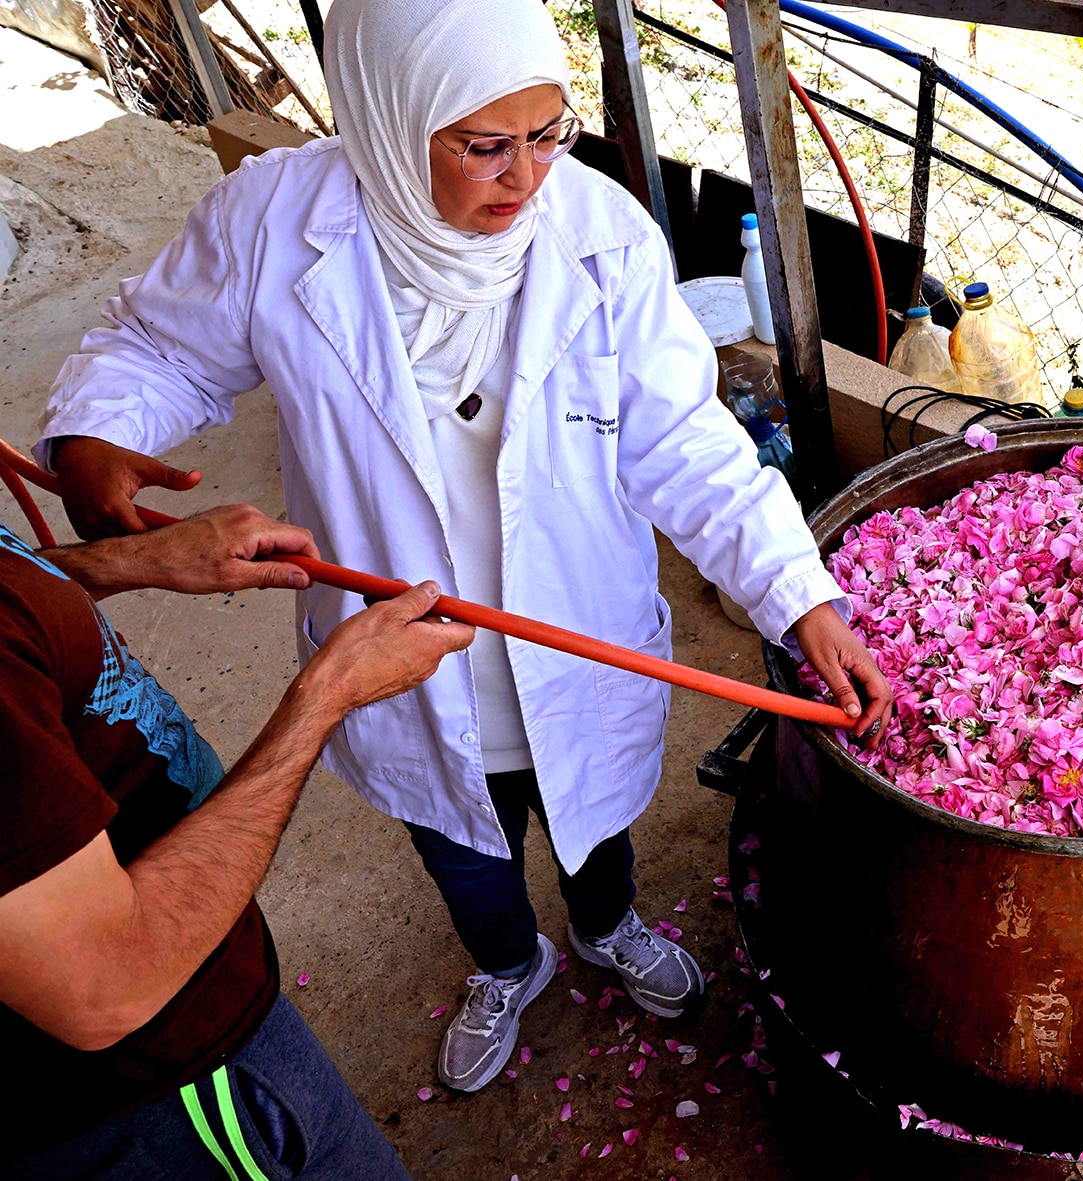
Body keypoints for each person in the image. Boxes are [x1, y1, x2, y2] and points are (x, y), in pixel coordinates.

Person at [39, 0, 892, 1096]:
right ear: (393, 121)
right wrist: (99, 433)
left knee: (592, 829)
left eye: (549, 135)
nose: (525, 178)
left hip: (577, 633)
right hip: (398, 655)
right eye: (485, 145)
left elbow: (685, 441)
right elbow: (160, 345)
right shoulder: (274, 221)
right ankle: (506, 962)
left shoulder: (601, 236)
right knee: (461, 845)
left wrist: (799, 599)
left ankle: (605, 927)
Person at [0, 503, 472, 1178]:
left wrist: (122, 561)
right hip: (154, 1091)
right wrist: (326, 695)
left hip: (190, 1005)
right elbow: (105, 986)